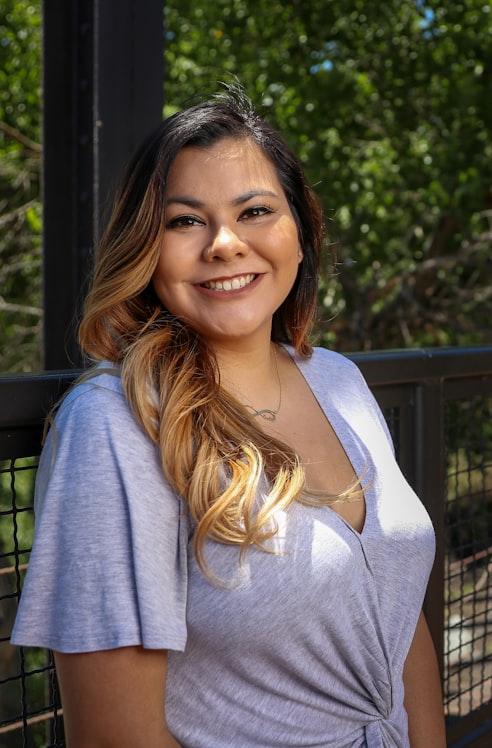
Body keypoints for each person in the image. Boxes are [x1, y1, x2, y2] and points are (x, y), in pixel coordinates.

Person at [12, 87, 446, 748]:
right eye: (185, 221)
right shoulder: (116, 425)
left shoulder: (338, 380)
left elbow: (397, 609)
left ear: (300, 233)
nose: (223, 243)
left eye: (255, 211)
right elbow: (115, 739)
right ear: (146, 251)